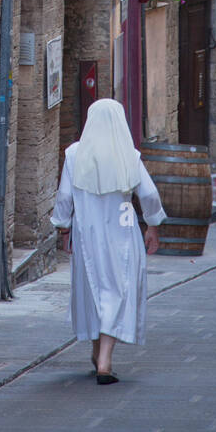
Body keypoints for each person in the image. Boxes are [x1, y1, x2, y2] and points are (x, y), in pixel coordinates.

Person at [50, 97, 166, 384]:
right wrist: (152, 225)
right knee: (116, 290)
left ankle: (96, 353)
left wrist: (64, 228)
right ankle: (104, 359)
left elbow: (64, 197)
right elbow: (149, 195)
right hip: (121, 231)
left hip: (86, 233)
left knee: (93, 289)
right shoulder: (129, 155)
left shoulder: (74, 155)